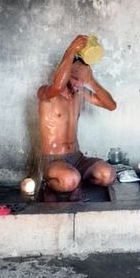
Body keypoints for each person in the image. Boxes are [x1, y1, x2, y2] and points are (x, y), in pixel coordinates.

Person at [37, 35, 117, 201]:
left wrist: (91, 81)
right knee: (69, 179)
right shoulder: (47, 93)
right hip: (52, 161)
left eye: (81, 78)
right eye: (73, 75)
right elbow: (58, 85)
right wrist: (71, 50)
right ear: (64, 73)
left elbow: (111, 105)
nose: (77, 82)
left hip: (77, 158)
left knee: (108, 174)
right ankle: (49, 184)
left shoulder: (80, 93)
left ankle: (76, 181)